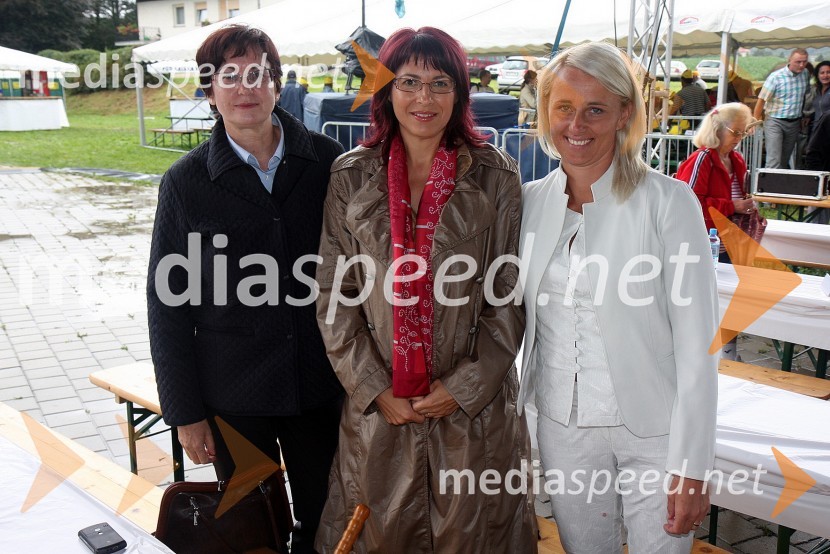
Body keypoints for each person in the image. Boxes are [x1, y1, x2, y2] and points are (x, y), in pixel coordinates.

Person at [314, 26, 537, 553]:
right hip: (381, 413)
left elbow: (509, 292)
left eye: (440, 83)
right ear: (386, 90)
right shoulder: (351, 174)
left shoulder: (495, 175)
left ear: (460, 93)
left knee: (474, 536)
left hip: (472, 416)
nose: (423, 98)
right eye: (408, 81)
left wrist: (464, 386)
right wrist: (372, 387)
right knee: (377, 533)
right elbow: (333, 292)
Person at [147, 25, 344, 554]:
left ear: (278, 84)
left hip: (320, 387)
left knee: (330, 517)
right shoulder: (186, 181)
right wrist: (184, 412)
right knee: (251, 528)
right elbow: (166, 303)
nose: (244, 87)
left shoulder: (328, 162)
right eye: (227, 76)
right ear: (209, 91)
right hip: (233, 398)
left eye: (257, 73)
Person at [519, 41, 718, 554]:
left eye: (596, 109)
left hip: (656, 431)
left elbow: (700, 347)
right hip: (562, 429)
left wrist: (691, 466)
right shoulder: (527, 203)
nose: (576, 124)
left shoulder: (669, 202)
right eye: (563, 107)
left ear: (624, 112)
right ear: (546, 111)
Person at [676, 103, 757, 360]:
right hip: (705, 242)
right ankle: (699, 353)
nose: (739, 139)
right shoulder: (702, 158)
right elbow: (689, 202)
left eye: (743, 133)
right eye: (736, 132)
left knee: (731, 301)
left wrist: (744, 206)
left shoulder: (736, 159)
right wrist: (732, 205)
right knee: (705, 303)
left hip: (729, 241)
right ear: (718, 129)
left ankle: (727, 354)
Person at [753, 48, 810, 168]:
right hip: (775, 121)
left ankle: (780, 185)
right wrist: (754, 121)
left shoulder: (805, 74)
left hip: (794, 122)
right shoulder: (776, 77)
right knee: (774, 160)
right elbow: (761, 100)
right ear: (789, 60)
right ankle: (768, 186)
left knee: (784, 159)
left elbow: (804, 96)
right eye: (798, 62)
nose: (801, 65)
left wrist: (804, 114)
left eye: (804, 62)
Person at [809, 61, 830, 133]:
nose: (825, 75)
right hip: (816, 130)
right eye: (822, 73)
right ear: (817, 75)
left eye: (828, 72)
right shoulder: (817, 90)